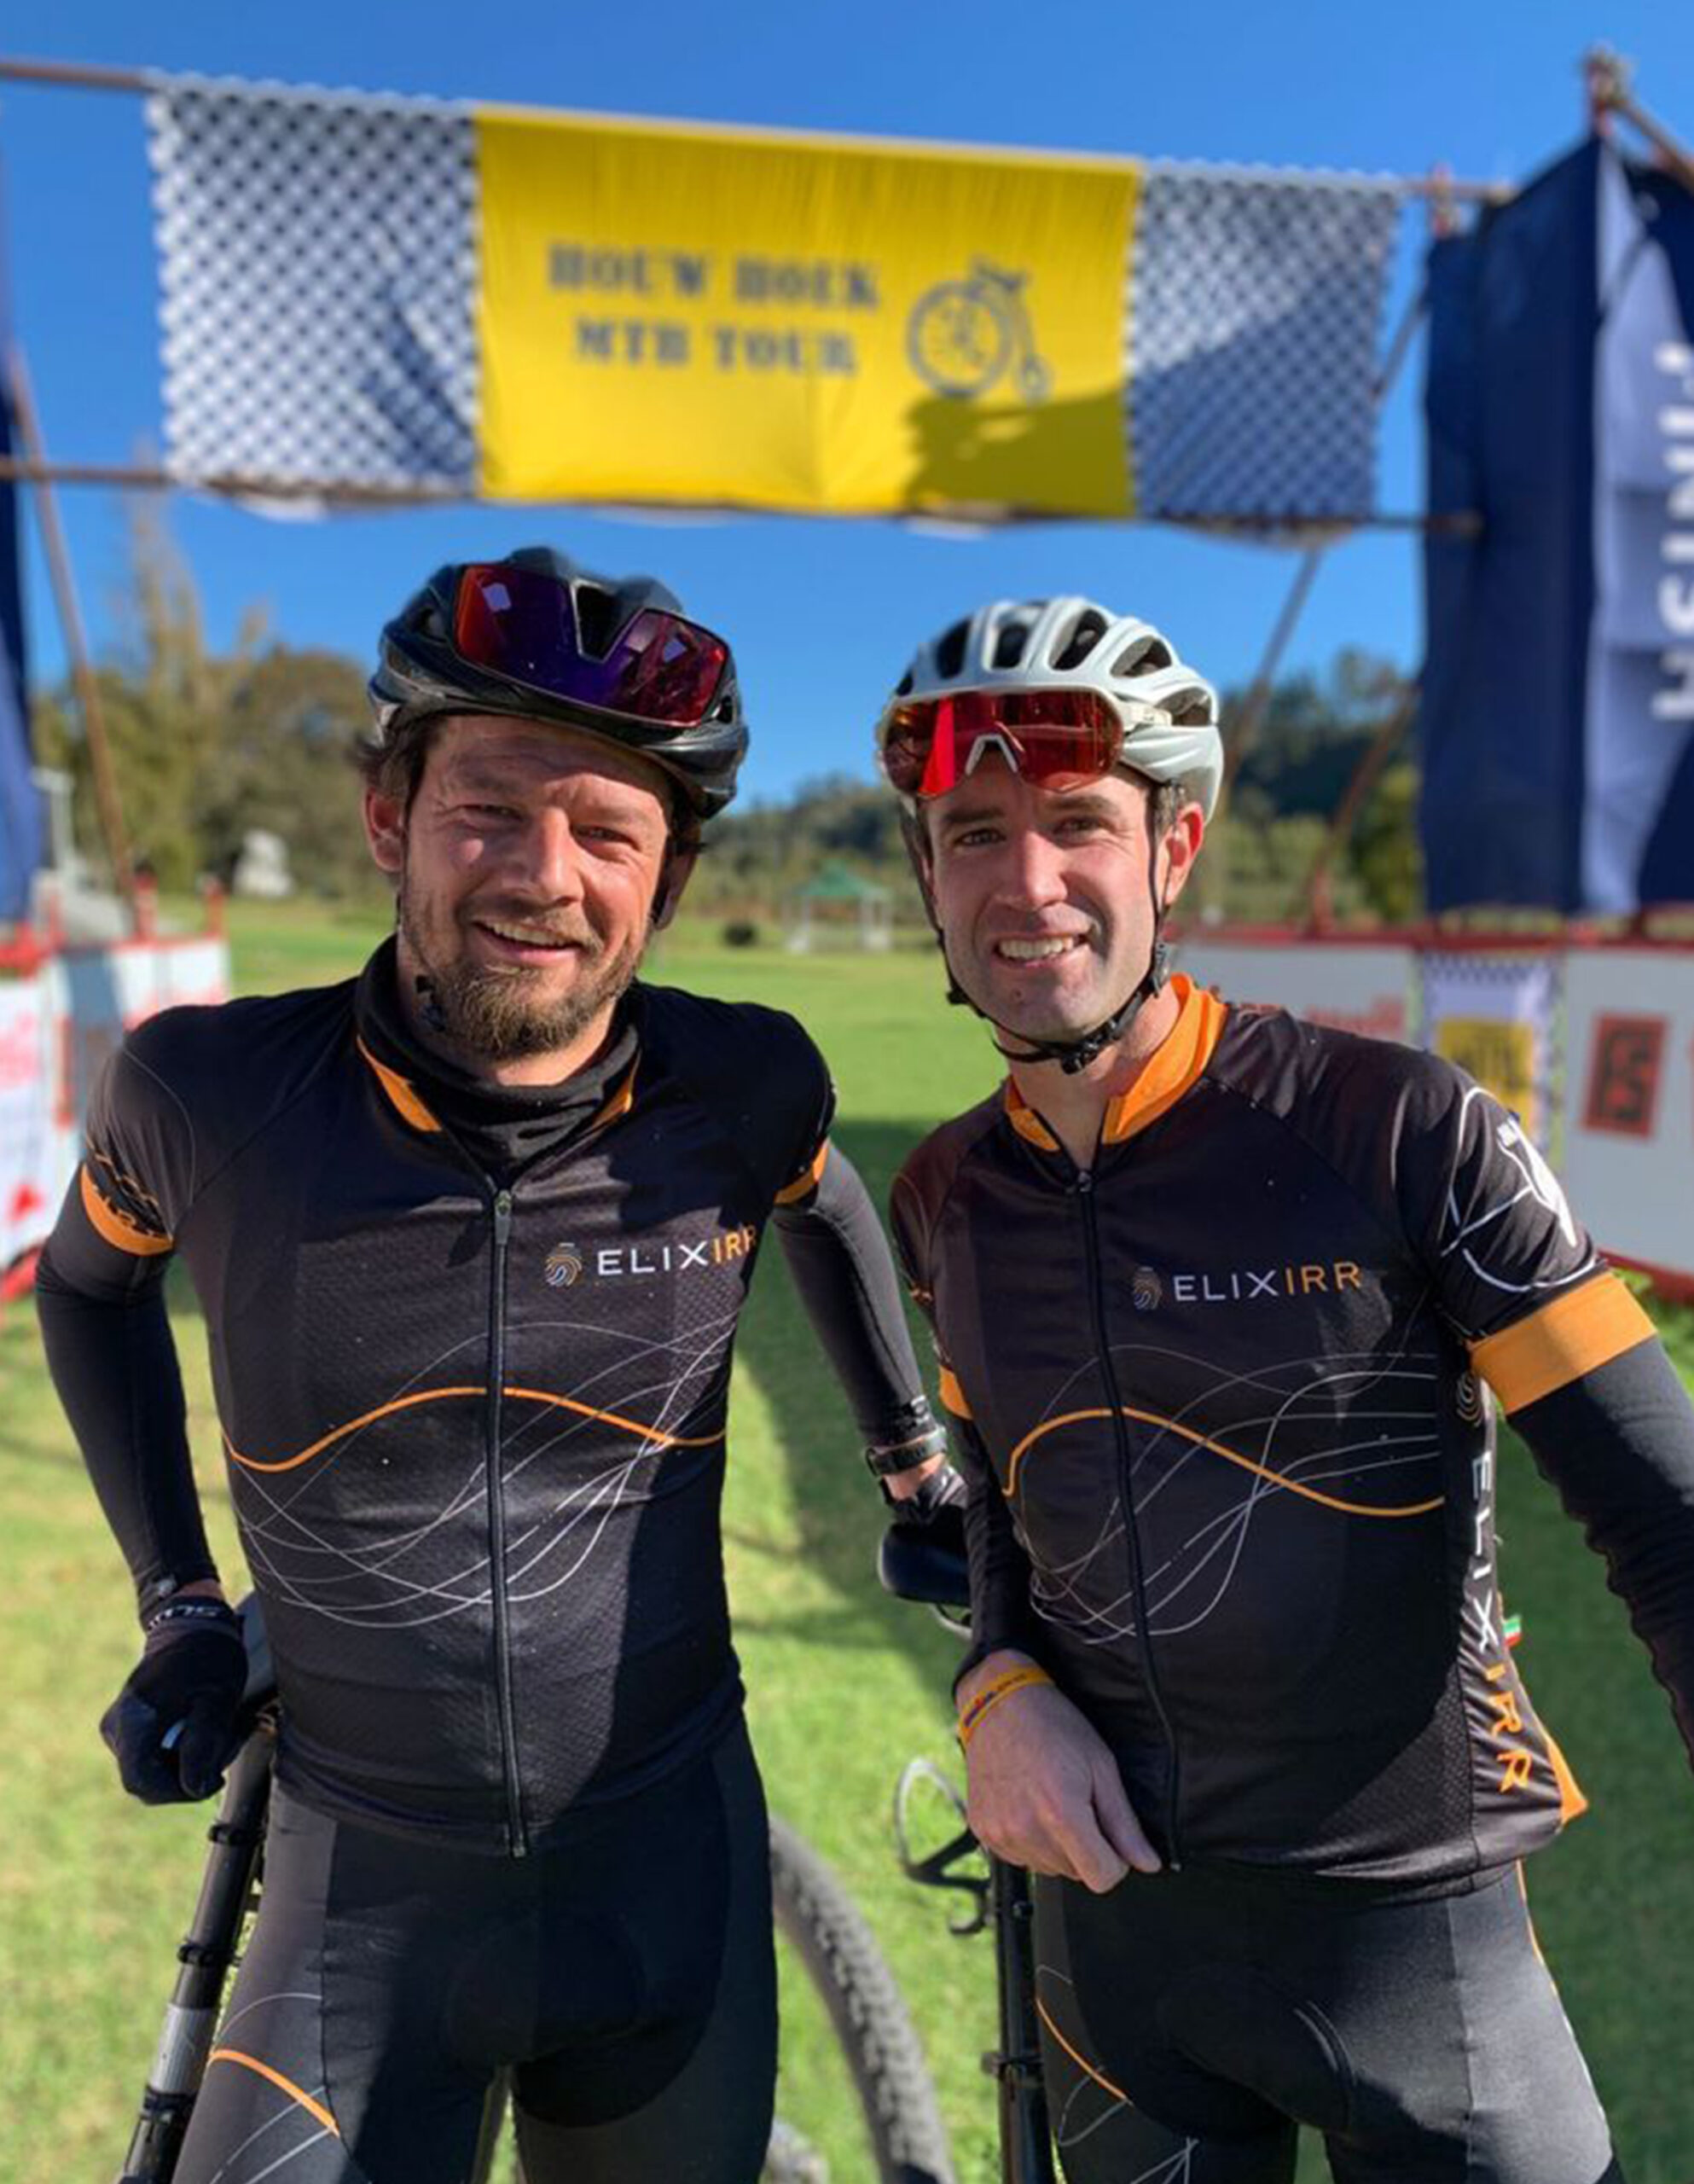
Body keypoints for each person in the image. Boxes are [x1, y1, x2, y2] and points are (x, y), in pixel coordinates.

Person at [36, 548, 956, 2184]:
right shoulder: (205, 1096)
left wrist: (916, 1469)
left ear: (668, 881)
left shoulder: (744, 1084)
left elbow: (825, 1208)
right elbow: (85, 1290)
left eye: (608, 831)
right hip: (359, 1901)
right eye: (487, 809)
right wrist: (180, 1607)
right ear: (388, 818)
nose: (543, 875)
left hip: (666, 1872)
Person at [877, 594, 1694, 2184]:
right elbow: (1005, 1521)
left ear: (1172, 850)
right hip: (1116, 1958)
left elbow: (1663, 1525)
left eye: (1077, 823)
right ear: (926, 872)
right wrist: (997, 1688)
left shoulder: (1398, 1129)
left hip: (1415, 1948)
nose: (1025, 883)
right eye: (973, 834)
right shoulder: (944, 1197)